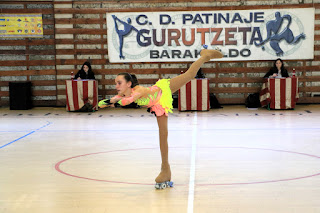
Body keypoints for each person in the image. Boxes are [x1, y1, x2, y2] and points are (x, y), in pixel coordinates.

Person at [99, 49, 223, 189]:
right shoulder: (123, 94)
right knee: (163, 136)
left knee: (189, 75)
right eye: (115, 83)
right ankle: (165, 169)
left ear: (128, 84)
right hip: (157, 105)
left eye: (119, 83)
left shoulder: (138, 90)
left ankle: (205, 56)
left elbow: (127, 101)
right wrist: (108, 102)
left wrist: (112, 102)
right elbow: (107, 102)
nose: (116, 86)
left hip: (164, 90)